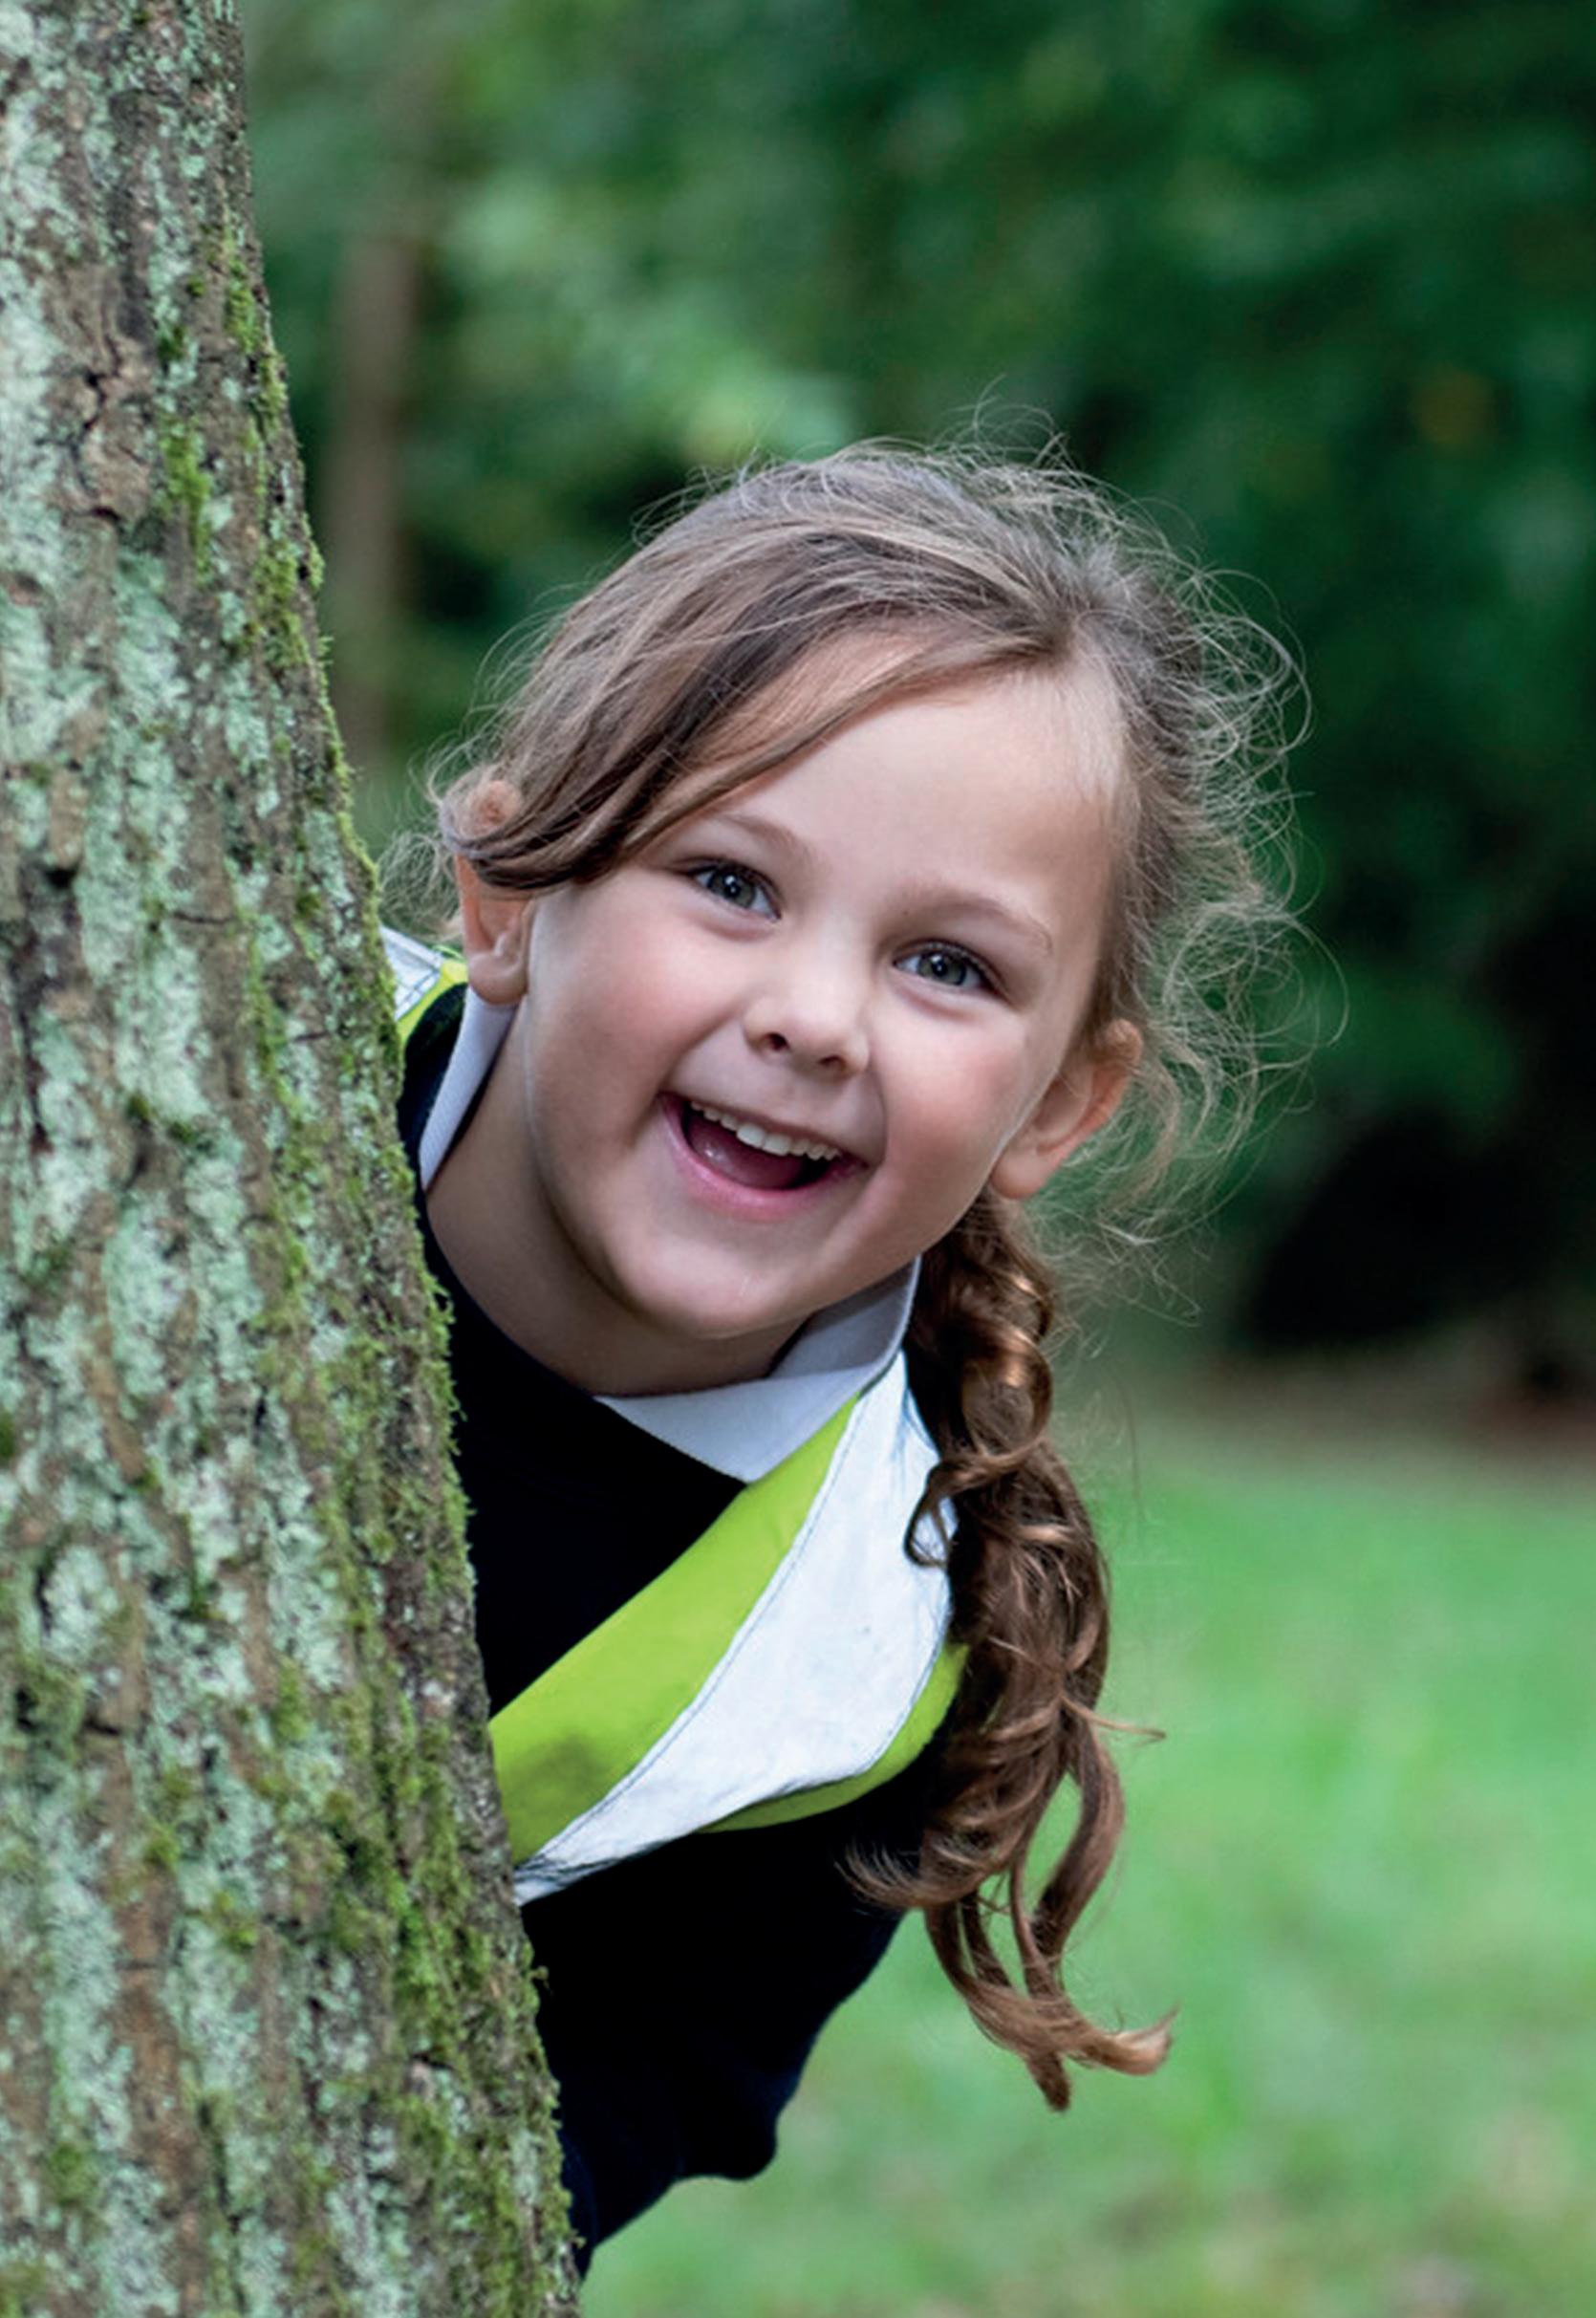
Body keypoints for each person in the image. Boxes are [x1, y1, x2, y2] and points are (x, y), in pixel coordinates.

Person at [386, 444, 1292, 2271]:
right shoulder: (148, 1061)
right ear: (506, 896)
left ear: (1062, 1101)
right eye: (730, 879)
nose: (812, 1017)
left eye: (947, 965)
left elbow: (627, 2092)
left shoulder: (857, 1653)